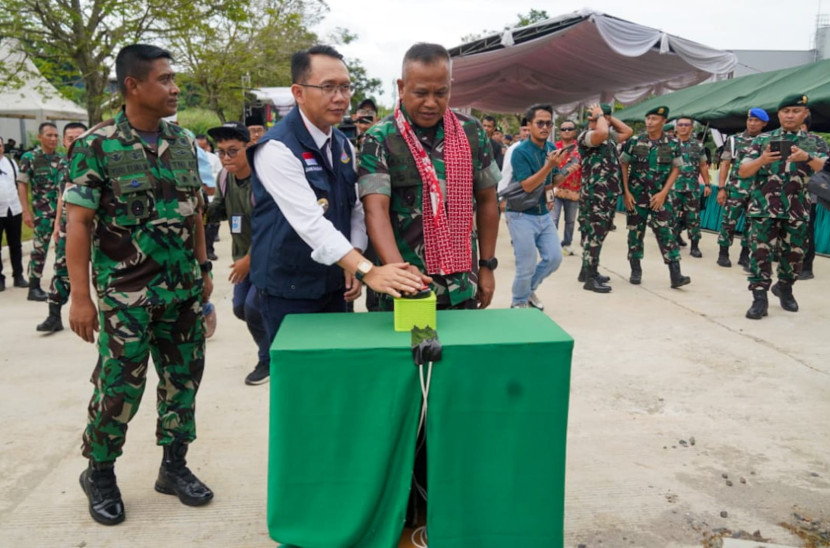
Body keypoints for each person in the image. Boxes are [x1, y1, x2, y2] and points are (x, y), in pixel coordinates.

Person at [64, 44, 214, 526]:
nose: (174, 89)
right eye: (165, 80)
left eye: (175, 80)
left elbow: (195, 211)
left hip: (183, 291)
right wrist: (81, 297)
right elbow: (79, 224)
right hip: (126, 296)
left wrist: (203, 267)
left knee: (183, 382)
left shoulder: (184, 141)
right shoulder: (96, 143)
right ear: (132, 85)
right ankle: (100, 472)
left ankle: (174, 467)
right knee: (120, 388)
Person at [248, 45, 425, 384]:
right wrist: (367, 270)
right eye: (328, 87)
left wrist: (354, 257)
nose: (340, 97)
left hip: (336, 283)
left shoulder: (342, 144)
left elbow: (355, 207)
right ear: (298, 92)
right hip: (290, 289)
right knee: (301, 385)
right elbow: (310, 223)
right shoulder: (277, 149)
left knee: (338, 378)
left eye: (345, 87)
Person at [358, 42, 501, 312]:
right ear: (401, 87)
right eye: (420, 93)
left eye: (441, 93)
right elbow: (375, 210)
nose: (431, 103)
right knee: (404, 354)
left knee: (458, 354)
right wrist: (401, 275)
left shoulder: (472, 132)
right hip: (403, 288)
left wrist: (487, 266)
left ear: (450, 86)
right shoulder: (380, 138)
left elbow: (487, 200)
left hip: (462, 285)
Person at [738, 94, 828, 319]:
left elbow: (825, 171)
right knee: (760, 254)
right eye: (785, 111)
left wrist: (807, 157)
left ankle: (785, 288)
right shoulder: (761, 141)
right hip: (763, 209)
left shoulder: (815, 142)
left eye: (795, 111)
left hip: (797, 209)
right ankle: (759, 298)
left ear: (805, 114)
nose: (790, 115)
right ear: (778, 114)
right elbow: (743, 171)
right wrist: (762, 161)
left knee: (794, 256)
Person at [205, 121, 270, 385]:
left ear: (249, 148)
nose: (225, 158)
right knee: (241, 308)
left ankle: (268, 359)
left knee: (254, 308)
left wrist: (249, 260)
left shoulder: (264, 178)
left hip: (267, 258)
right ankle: (273, 349)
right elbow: (218, 210)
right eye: (221, 152)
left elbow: (272, 226)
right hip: (241, 258)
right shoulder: (224, 177)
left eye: (233, 151)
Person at [504, 103, 571, 309]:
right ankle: (519, 303)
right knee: (526, 265)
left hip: (543, 213)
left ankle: (528, 290)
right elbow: (528, 185)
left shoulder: (551, 149)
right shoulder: (520, 152)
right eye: (539, 123)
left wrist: (565, 172)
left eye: (548, 123)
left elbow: (549, 183)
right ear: (529, 125)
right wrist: (549, 165)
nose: (544, 127)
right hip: (521, 214)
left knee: (554, 258)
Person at [620, 106, 691, 288]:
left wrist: (663, 193)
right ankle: (636, 270)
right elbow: (623, 165)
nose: (649, 122)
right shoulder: (635, 141)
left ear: (664, 121)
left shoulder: (673, 144)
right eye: (648, 118)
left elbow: (676, 168)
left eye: (654, 119)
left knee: (666, 232)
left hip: (660, 196)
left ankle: (676, 274)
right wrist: (626, 192)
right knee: (635, 233)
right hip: (636, 196)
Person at [36, 122, 88, 333]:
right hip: (71, 223)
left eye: (80, 138)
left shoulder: (99, 162)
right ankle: (54, 315)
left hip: (97, 224)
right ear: (64, 142)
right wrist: (58, 223)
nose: (75, 142)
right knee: (62, 267)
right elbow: (62, 196)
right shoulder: (63, 166)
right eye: (70, 138)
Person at [577, 103, 633, 293]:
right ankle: (590, 278)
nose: (596, 121)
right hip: (595, 195)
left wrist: (607, 117)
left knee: (599, 234)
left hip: (607, 195)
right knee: (595, 234)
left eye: (599, 118)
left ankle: (587, 271)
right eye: (592, 118)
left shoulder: (609, 138)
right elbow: (601, 132)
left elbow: (628, 131)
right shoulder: (587, 136)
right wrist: (601, 117)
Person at [715, 108, 769, 269]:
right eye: (750, 120)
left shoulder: (768, 142)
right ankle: (723, 253)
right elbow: (725, 164)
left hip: (758, 191)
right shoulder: (734, 140)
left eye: (756, 121)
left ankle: (745, 255)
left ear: (764, 124)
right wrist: (721, 188)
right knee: (728, 221)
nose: (752, 123)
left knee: (752, 224)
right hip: (736, 189)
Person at [16, 122, 63, 301]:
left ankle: (59, 286)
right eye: (49, 135)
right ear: (40, 137)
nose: (53, 139)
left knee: (61, 251)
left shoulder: (61, 159)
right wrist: (25, 211)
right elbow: (22, 184)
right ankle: (34, 288)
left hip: (61, 214)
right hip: (42, 214)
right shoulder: (30, 157)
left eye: (55, 136)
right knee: (39, 250)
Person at [671, 116, 711, 258]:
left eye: (686, 124)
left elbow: (703, 166)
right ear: (676, 127)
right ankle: (672, 242)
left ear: (692, 127)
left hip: (692, 188)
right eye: (680, 124)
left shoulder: (698, 146)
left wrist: (707, 184)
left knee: (693, 218)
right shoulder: (668, 145)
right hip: (673, 188)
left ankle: (694, 246)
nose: (683, 127)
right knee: (672, 216)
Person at [0, 136, 26, 291]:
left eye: (1, 145)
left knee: (16, 244)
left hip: (13, 209)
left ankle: (18, 275)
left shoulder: (11, 163)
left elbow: (19, 183)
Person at [552, 119, 581, 256]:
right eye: (564, 129)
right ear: (560, 132)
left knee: (570, 220)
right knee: (553, 219)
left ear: (574, 131)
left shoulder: (580, 148)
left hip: (574, 190)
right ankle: (551, 244)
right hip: (555, 189)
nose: (567, 131)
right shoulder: (553, 147)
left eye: (570, 128)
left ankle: (567, 243)